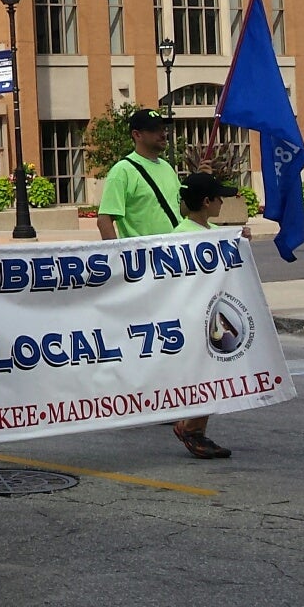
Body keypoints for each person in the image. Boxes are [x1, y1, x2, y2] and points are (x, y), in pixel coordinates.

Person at [171, 172, 240, 459]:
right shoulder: (181, 238)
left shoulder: (211, 233)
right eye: (218, 197)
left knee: (212, 371)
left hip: (210, 316)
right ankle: (192, 429)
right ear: (206, 202)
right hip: (191, 318)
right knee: (205, 372)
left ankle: (192, 425)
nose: (222, 202)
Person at [96, 109, 182, 242]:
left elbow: (181, 209)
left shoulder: (167, 167)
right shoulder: (122, 171)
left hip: (175, 250)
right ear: (137, 135)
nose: (163, 134)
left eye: (163, 129)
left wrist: (201, 182)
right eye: (154, 130)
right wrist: (117, 252)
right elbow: (104, 219)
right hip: (143, 253)